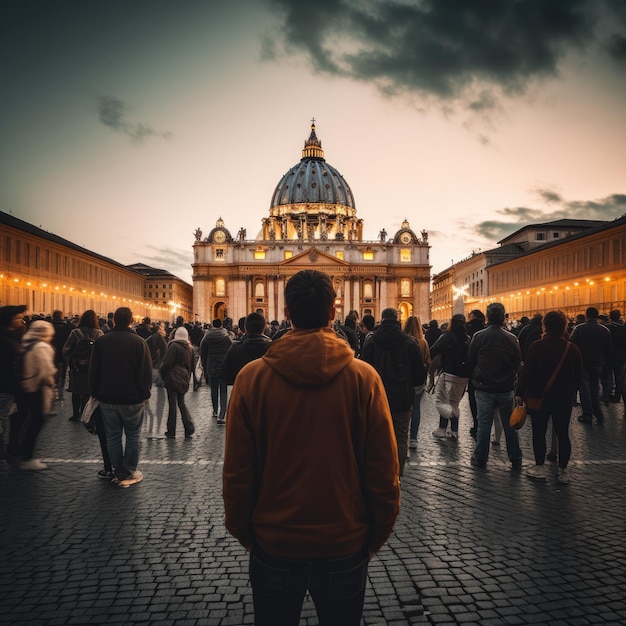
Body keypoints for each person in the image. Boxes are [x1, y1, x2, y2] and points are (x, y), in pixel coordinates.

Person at [223, 270, 400, 626]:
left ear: (286, 311)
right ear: (334, 311)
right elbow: (383, 471)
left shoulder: (251, 378)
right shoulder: (364, 378)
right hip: (345, 541)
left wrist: (246, 533)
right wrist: (375, 536)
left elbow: (237, 471)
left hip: (274, 541)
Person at [516, 311, 582, 483]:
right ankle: (563, 471)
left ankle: (540, 468)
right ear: (564, 326)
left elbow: (527, 373)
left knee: (539, 432)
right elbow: (578, 376)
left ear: (545, 326)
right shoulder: (572, 348)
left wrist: (519, 393)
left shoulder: (537, 346)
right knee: (562, 433)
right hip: (563, 398)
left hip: (539, 397)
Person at [88, 307, 152, 488]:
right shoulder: (139, 342)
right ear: (131, 320)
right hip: (133, 398)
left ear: (114, 320)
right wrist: (145, 392)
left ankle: (117, 470)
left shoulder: (102, 341)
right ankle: (128, 471)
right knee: (133, 436)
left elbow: (95, 368)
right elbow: (145, 371)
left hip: (108, 397)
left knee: (113, 436)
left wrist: (94, 390)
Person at [360, 307, 426, 476]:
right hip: (402, 397)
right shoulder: (410, 342)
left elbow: (362, 369)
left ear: (382, 320)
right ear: (398, 320)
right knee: (401, 436)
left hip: (376, 397)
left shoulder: (372, 341)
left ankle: (378, 472)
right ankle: (396, 473)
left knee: (375, 435)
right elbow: (419, 374)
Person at [467, 302, 523, 470]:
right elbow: (517, 364)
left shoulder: (478, 336)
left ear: (488, 317)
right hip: (505, 388)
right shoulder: (512, 339)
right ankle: (516, 458)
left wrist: (477, 375)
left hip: (484, 387)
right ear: (502, 317)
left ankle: (480, 458)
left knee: (483, 425)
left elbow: (471, 360)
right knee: (509, 426)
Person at [15, 320, 57, 470]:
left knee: (26, 421)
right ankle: (27, 457)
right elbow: (46, 371)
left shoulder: (26, 343)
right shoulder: (42, 347)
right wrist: (52, 382)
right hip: (38, 389)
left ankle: (19, 451)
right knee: (36, 422)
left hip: (25, 387)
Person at [429, 314, 471, 440]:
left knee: (443, 401)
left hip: (449, 373)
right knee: (454, 403)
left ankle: (442, 429)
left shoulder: (447, 336)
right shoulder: (467, 338)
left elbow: (433, 350)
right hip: (464, 376)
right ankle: (454, 430)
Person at [570, 307, 612, 424]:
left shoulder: (578, 329)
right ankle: (599, 415)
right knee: (595, 388)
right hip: (598, 364)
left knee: (584, 389)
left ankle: (587, 414)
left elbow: (571, 345)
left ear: (586, 315)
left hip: (583, 363)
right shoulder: (604, 330)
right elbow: (608, 349)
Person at [62, 310, 103, 422]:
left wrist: (71, 362)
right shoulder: (99, 333)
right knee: (87, 391)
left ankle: (75, 414)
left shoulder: (75, 332)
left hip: (77, 367)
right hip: (91, 368)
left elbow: (66, 350)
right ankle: (84, 413)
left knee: (76, 391)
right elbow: (102, 352)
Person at [160, 326, 195, 439]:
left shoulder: (173, 346)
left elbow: (167, 362)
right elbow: (192, 366)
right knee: (181, 403)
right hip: (184, 376)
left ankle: (171, 431)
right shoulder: (190, 348)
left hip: (173, 376)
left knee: (172, 405)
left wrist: (162, 373)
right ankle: (189, 427)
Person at [403, 315, 430, 448]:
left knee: (404, 408)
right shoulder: (423, 342)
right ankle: (413, 438)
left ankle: (403, 435)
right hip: (418, 380)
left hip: (404, 379)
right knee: (416, 408)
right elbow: (427, 361)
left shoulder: (402, 341)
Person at [221, 312, 271, 385]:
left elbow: (226, 375)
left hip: (243, 392)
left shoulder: (235, 348)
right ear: (264, 328)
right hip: (267, 392)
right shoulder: (273, 349)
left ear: (245, 328)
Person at [200, 318, 233, 424]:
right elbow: (231, 351)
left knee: (214, 390)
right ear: (221, 325)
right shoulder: (226, 337)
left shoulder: (206, 337)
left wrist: (205, 368)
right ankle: (222, 415)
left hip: (211, 366)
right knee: (223, 391)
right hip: (223, 367)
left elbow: (203, 354)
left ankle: (215, 410)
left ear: (212, 325)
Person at [466, 309, 486, 438]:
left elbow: (470, 355)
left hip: (475, 374)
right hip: (491, 373)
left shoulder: (469, 331)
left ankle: (477, 425)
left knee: (474, 400)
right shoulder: (485, 330)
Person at [146, 322, 168, 387]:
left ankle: (159, 381)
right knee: (159, 369)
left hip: (158, 356)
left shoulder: (154, 337)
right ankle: (159, 381)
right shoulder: (158, 336)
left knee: (159, 369)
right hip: (159, 356)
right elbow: (164, 348)